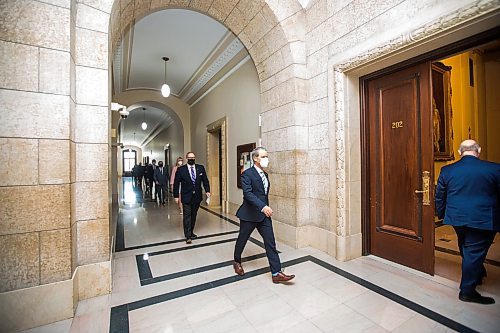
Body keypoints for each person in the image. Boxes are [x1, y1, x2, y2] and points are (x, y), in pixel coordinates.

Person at [435, 139, 499, 304]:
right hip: (482, 218)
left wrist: (441, 214)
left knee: (466, 245)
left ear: (459, 151)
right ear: (479, 150)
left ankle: (477, 271)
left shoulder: (447, 170)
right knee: (473, 250)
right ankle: (467, 291)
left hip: (457, 218)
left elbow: (440, 196)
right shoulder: (494, 169)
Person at [232, 147, 295, 284]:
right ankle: (237, 261)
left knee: (270, 243)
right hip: (249, 215)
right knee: (242, 240)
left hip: (263, 216)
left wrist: (264, 208)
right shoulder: (247, 174)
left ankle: (276, 273)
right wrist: (263, 207)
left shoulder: (265, 175)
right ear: (255, 158)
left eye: (267, 156)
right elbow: (248, 194)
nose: (266, 159)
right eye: (264, 156)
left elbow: (263, 194)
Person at [173, 152, 210, 244]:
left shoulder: (200, 168)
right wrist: (176, 196)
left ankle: (191, 232)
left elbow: (205, 180)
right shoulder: (181, 170)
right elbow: (176, 183)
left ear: (195, 158)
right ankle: (188, 236)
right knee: (187, 216)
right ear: (186, 158)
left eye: (193, 157)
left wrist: (207, 191)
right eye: (189, 157)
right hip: (186, 196)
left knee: (194, 215)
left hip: (197, 196)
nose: (191, 159)